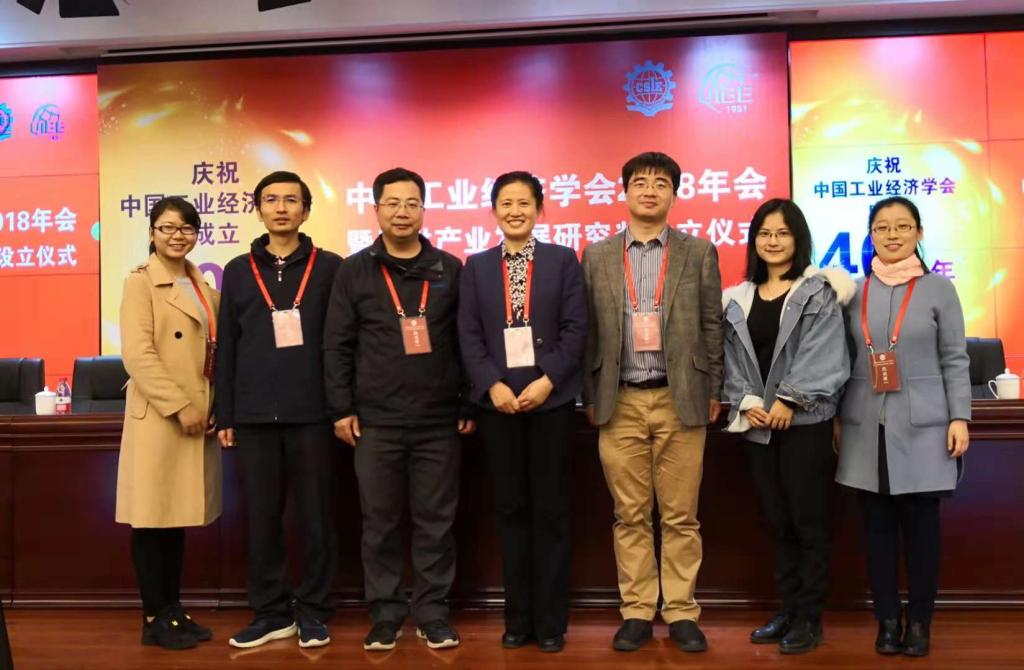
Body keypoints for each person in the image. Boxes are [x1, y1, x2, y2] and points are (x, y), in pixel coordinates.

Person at [324, 167, 474, 652]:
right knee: (380, 523)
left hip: (438, 421)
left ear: (424, 210)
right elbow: (337, 345)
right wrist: (341, 408)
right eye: (392, 203)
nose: (402, 212)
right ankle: (386, 614)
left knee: (436, 523)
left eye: (412, 203)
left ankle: (432, 613)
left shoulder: (450, 269)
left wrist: (467, 400)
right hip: (376, 422)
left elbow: (466, 341)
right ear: (376, 209)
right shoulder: (354, 270)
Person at [581, 151, 723, 653]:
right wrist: (589, 393)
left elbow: (712, 325)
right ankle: (638, 610)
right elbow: (588, 331)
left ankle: (681, 611)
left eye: (660, 183)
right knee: (630, 515)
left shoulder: (698, 252)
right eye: (639, 182)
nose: (649, 190)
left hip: (679, 397)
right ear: (624, 192)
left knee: (681, 515)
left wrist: (715, 389)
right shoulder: (597, 255)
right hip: (618, 400)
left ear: (673, 195)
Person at [457, 171, 587, 653]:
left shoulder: (562, 260)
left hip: (550, 403)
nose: (515, 211)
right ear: (494, 211)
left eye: (524, 203)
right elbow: (468, 333)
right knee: (510, 511)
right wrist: (491, 385)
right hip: (498, 407)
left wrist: (547, 379)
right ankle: (517, 620)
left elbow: (576, 328)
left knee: (551, 511)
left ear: (539, 209)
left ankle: (550, 623)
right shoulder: (476, 266)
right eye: (506, 203)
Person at [836, 196, 970, 658]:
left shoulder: (938, 289)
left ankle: (920, 623)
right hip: (864, 427)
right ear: (870, 235)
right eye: (882, 227)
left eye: (902, 226)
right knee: (876, 533)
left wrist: (960, 417)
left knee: (922, 534)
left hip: (925, 427)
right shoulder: (852, 292)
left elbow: (955, 358)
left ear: (919, 233)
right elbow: (841, 361)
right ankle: (888, 621)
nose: (892, 235)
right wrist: (836, 417)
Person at [215, 171, 342, 649]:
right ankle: (270, 611)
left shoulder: (331, 267)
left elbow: (341, 343)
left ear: (306, 210)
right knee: (261, 518)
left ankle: (313, 609)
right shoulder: (237, 269)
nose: (282, 208)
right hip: (253, 417)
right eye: (272, 200)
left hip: (313, 414)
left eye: (291, 200)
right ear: (259, 209)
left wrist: (341, 406)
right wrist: (227, 413)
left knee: (316, 517)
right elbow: (227, 346)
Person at [721, 198, 853, 654]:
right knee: (777, 522)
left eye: (782, 233)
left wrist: (789, 399)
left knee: (808, 521)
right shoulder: (737, 298)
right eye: (764, 233)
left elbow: (826, 353)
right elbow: (731, 360)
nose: (773, 241)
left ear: (798, 239)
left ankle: (809, 618)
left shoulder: (818, 291)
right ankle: (788, 608)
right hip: (759, 426)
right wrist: (748, 401)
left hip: (806, 424)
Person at [116, 196, 221, 650]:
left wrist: (214, 406)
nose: (178, 236)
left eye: (186, 228)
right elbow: (138, 355)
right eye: (168, 228)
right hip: (161, 417)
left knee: (175, 519)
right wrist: (180, 406)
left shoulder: (202, 284)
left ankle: (174, 610)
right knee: (151, 520)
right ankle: (153, 616)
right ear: (152, 233)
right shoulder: (140, 282)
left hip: (197, 414)